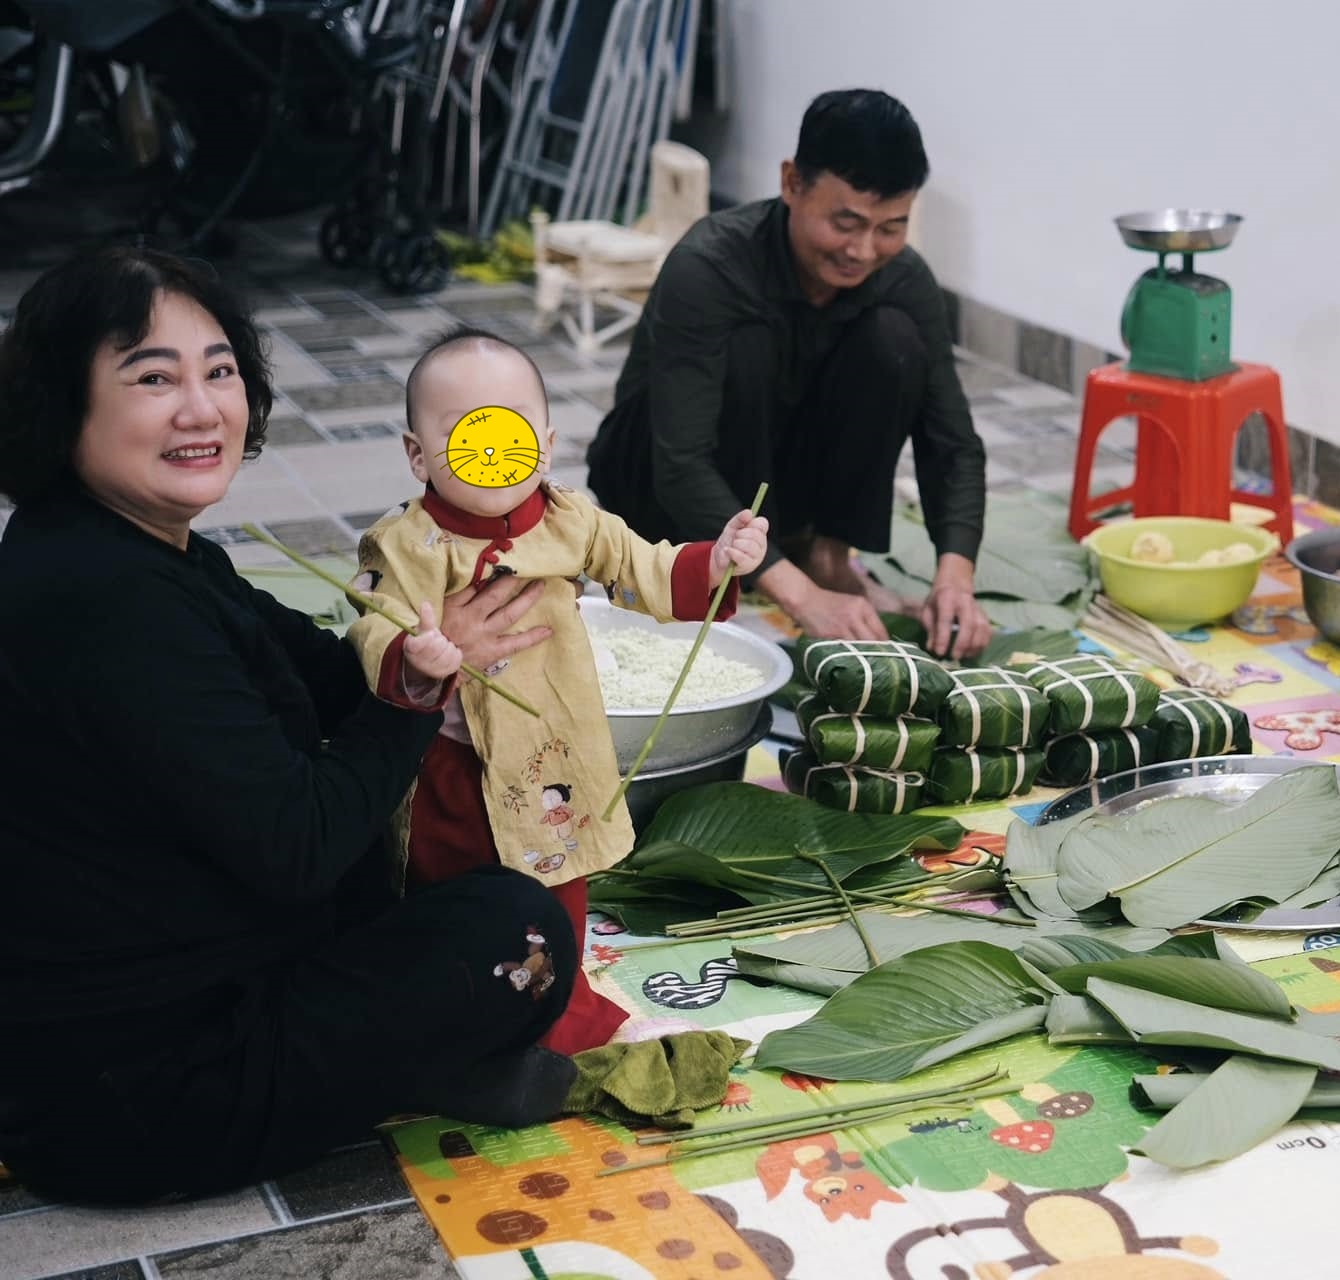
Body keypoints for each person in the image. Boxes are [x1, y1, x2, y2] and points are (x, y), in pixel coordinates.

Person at [0, 249, 580, 1204]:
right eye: (154, 377)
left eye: (219, 371)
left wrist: (419, 623)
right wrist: (416, 696)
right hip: (141, 1094)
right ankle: (431, 1061)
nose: (202, 408)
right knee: (518, 933)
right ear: (66, 406)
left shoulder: (128, 548)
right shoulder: (106, 605)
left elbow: (322, 671)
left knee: (437, 852)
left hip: (158, 1004)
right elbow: (301, 844)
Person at [349, 327, 768, 1055]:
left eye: (509, 427)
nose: (491, 447)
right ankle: (456, 1015)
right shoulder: (405, 544)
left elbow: (649, 570)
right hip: (453, 767)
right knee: (452, 891)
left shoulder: (574, 522)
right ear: (418, 454)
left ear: (542, 442)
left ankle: (559, 1007)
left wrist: (721, 559)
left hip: (550, 761)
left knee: (557, 884)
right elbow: (373, 623)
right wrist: (413, 652)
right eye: (464, 431)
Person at [585, 87, 993, 660]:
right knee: (750, 345)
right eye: (845, 222)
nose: (863, 249)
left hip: (775, 490)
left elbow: (953, 443)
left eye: (890, 227)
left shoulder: (902, 277)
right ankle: (777, 571)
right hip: (659, 494)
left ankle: (826, 555)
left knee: (894, 341)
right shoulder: (708, 267)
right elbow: (679, 462)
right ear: (791, 183)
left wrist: (956, 577)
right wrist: (802, 599)